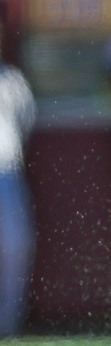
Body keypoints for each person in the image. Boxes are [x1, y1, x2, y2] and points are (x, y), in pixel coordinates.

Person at [0, 27, 35, 337]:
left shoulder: (11, 78)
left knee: (15, 248)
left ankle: (7, 327)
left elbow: (27, 121)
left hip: (7, 174)